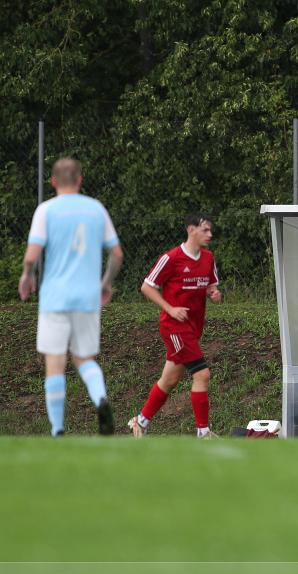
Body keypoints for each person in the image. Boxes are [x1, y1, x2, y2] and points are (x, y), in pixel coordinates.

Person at [19, 158, 123, 436]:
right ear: (80, 180)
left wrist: (27, 275)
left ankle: (57, 429)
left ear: (52, 181)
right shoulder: (96, 209)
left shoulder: (46, 210)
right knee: (85, 359)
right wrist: (105, 283)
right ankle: (100, 399)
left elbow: (32, 254)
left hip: (55, 298)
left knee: (55, 361)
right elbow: (116, 254)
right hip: (87, 298)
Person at [127, 213, 221, 438]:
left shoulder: (208, 258)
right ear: (191, 230)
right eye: (205, 230)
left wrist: (214, 293)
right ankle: (203, 433)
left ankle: (140, 421)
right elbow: (147, 287)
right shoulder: (171, 258)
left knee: (169, 379)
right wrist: (170, 309)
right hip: (174, 327)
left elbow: (211, 284)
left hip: (193, 327)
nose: (210, 234)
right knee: (202, 374)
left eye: (210, 230)